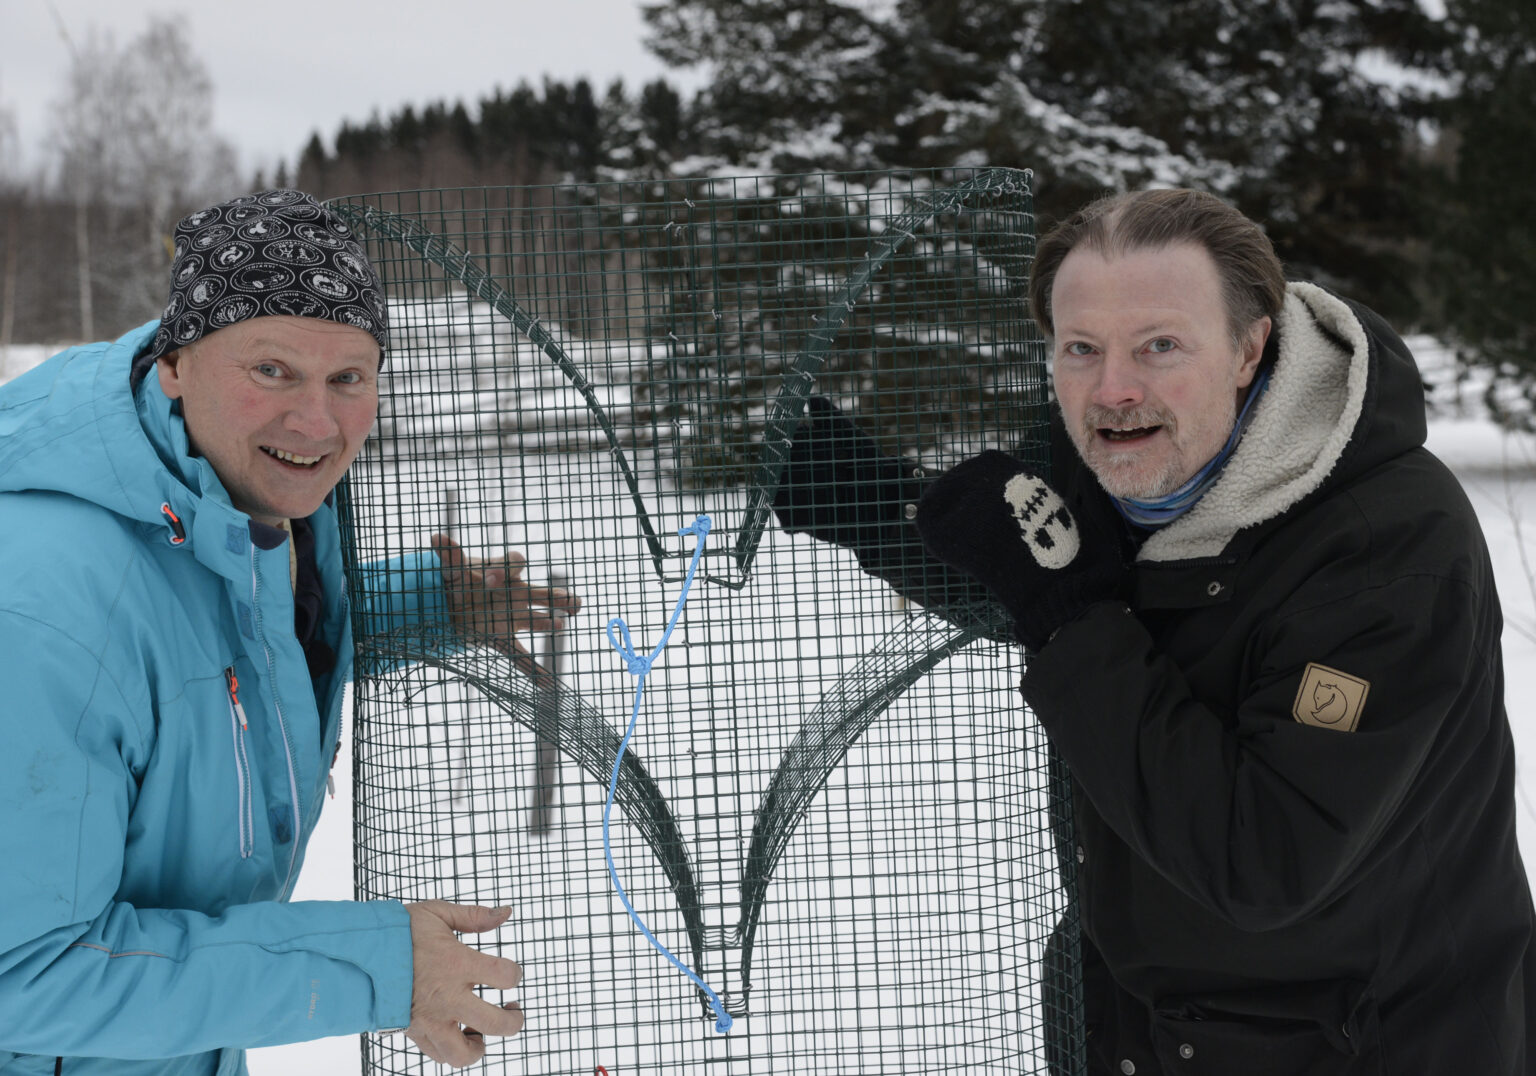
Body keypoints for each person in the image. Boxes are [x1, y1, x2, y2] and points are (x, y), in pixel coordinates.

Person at [772, 188, 1534, 1074]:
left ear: (1248, 347)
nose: (1113, 389)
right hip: (1146, 1029)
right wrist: (864, 502)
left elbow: (1265, 857)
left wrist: (1073, 621)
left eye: (1159, 346)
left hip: (1368, 1041)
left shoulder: (1385, 549)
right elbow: (1035, 568)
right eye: (1080, 349)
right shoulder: (1140, 461)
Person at [0, 189, 579, 1074]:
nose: (316, 423)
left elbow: (215, 633)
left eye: (348, 378)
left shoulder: (236, 498)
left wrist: (423, 607)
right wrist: (376, 967)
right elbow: (25, 977)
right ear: (175, 362)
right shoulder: (45, 610)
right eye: (272, 369)